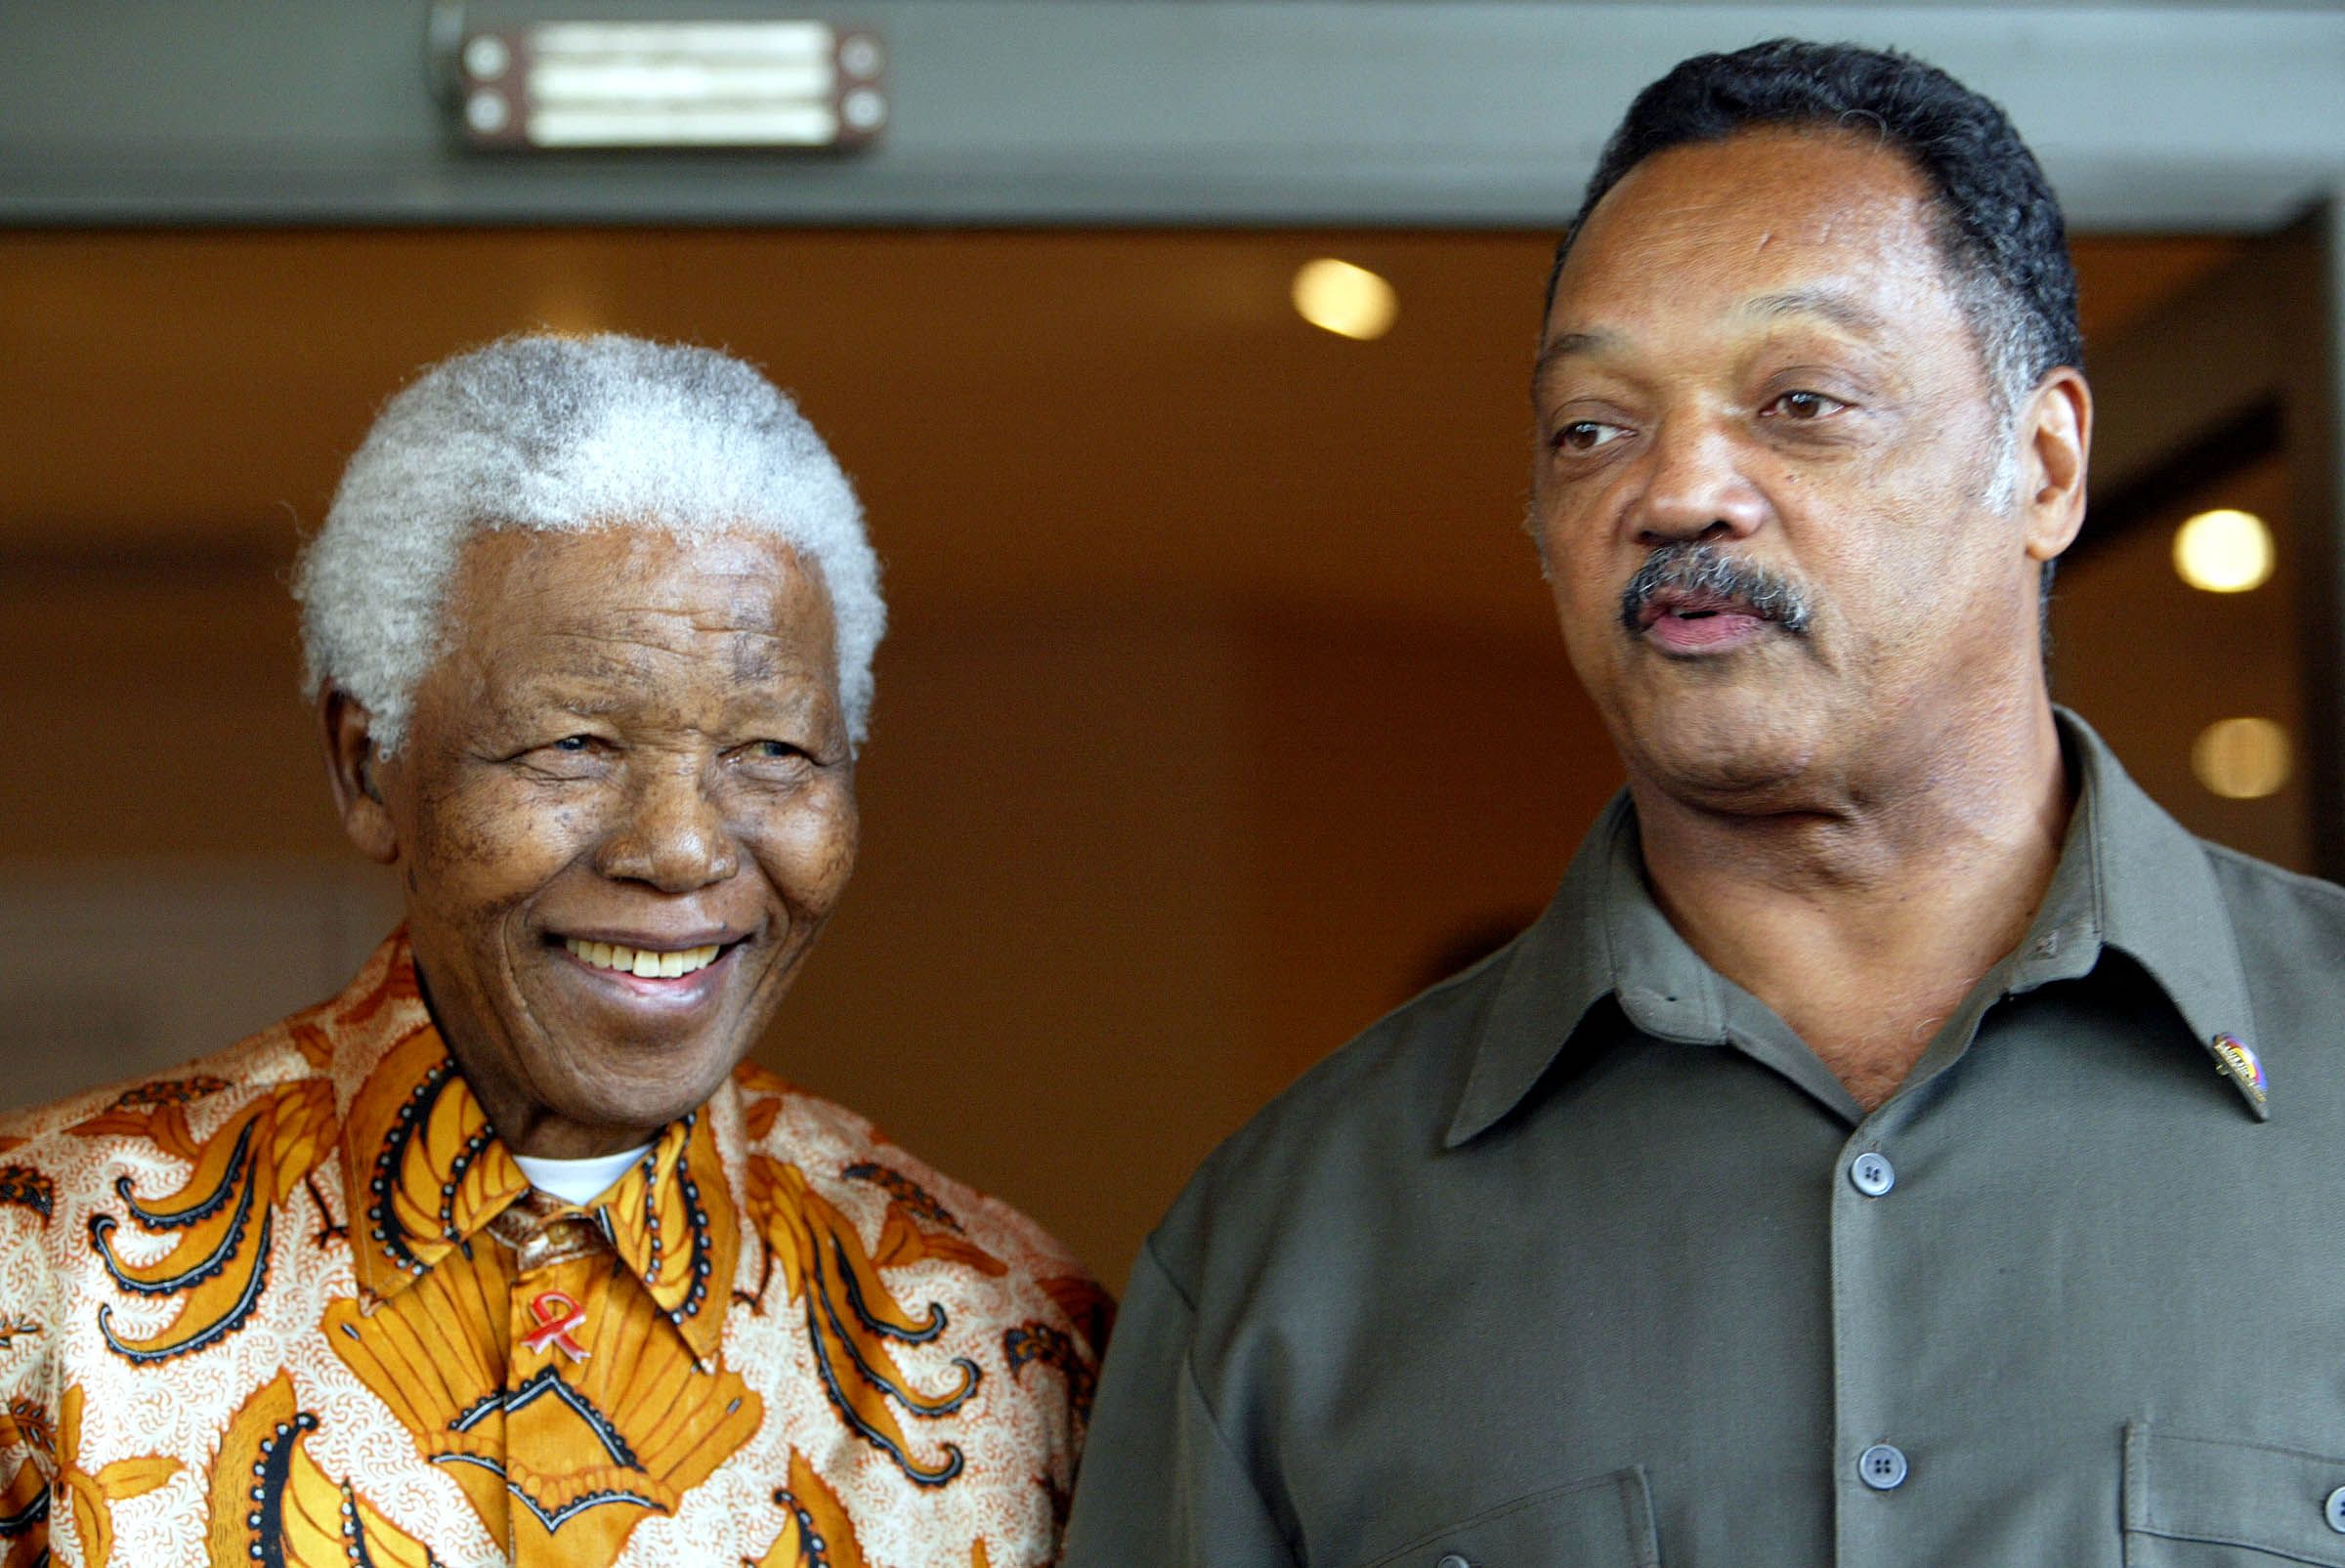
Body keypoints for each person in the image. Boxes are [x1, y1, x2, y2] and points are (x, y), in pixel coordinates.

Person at [1062, 38, 2345, 1567]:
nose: (1675, 493)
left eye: (1799, 400)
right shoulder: (1286, 1247)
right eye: (1592, 427)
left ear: (2047, 463)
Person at [0, 334, 1107, 1567]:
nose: (682, 848)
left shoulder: (1006, 1346)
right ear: (370, 767)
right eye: (574, 744)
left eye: (775, 752)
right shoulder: (36, 1286)